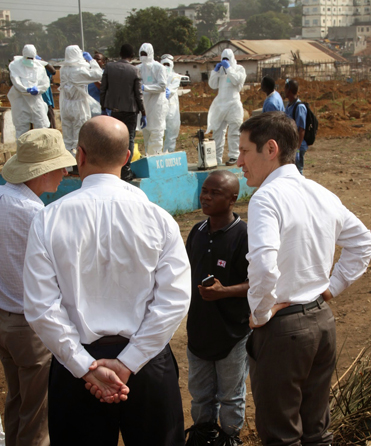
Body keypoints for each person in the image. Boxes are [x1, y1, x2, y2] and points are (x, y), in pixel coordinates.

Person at [23, 116, 191, 446]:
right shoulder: (159, 219)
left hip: (78, 368)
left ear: (79, 155)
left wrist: (86, 367)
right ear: (128, 157)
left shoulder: (49, 219)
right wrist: (128, 363)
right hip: (145, 364)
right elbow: (174, 299)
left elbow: (42, 308)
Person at [237, 112, 371, 446]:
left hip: (283, 331)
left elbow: (264, 266)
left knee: (281, 435)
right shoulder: (320, 193)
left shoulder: (266, 199)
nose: (239, 161)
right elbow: (363, 243)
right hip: (321, 324)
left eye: (244, 151)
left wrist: (260, 313)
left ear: (270, 149)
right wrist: (331, 288)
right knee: (316, 430)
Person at [0, 128, 76, 446]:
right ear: (42, 171)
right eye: (60, 167)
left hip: (5, 315)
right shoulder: (36, 214)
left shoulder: (5, 199)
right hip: (30, 324)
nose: (65, 173)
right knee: (37, 414)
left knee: (18, 399)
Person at [185, 171, 250, 446]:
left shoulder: (244, 235)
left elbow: (258, 282)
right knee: (199, 393)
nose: (206, 197)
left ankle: (229, 438)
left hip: (232, 332)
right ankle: (204, 436)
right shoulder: (197, 232)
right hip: (199, 329)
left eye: (215, 193)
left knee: (230, 395)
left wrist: (224, 292)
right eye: (204, 190)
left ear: (233, 199)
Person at [100, 44, 147, 181]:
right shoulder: (134, 70)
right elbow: (138, 94)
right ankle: (126, 170)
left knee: (115, 138)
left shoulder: (109, 68)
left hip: (114, 110)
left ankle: (115, 168)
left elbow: (103, 89)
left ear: (120, 53)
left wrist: (103, 107)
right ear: (132, 56)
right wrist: (143, 113)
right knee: (129, 138)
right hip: (130, 111)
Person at [59, 45, 103, 156]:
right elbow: (98, 74)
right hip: (78, 105)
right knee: (80, 134)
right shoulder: (79, 70)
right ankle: (78, 162)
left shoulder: (63, 69)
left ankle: (68, 163)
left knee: (68, 136)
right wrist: (91, 61)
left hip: (65, 104)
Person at [206, 49, 246, 166]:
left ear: (232, 58)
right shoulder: (220, 71)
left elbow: (237, 80)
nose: (225, 61)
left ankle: (234, 156)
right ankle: (216, 158)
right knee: (217, 132)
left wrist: (229, 68)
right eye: (223, 59)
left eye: (227, 59)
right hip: (220, 104)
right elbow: (212, 85)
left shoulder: (239, 69)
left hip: (233, 104)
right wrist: (215, 72)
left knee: (234, 132)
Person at [7, 44, 50, 138]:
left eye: (31, 58)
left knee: (42, 125)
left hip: (35, 101)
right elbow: (15, 81)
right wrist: (25, 89)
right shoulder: (15, 65)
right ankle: (22, 152)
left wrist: (38, 90)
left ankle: (41, 151)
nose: (30, 60)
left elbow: (45, 83)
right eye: (28, 58)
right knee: (21, 129)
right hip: (21, 101)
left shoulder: (39, 67)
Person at [138, 43, 168, 155]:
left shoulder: (159, 68)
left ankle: (155, 160)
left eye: (145, 54)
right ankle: (148, 159)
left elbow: (162, 86)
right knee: (146, 134)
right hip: (145, 107)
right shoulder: (138, 68)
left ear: (150, 53)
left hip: (156, 107)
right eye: (141, 54)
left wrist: (144, 87)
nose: (143, 56)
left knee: (156, 134)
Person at [284, 79, 308, 175]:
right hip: (291, 146)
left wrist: (297, 148)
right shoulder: (289, 106)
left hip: (298, 146)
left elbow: (301, 129)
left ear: (289, 91)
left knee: (298, 171)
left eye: (285, 89)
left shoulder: (299, 107)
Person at [161, 54, 181, 153]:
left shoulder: (175, 76)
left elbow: (172, 89)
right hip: (160, 108)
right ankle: (157, 155)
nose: (165, 67)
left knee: (171, 134)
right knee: (158, 134)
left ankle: (169, 154)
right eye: (163, 64)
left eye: (167, 64)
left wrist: (166, 92)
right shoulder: (158, 76)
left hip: (172, 109)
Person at [37, 56, 57, 129]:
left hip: (46, 100)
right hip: (33, 102)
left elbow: (53, 71)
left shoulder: (42, 67)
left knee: (50, 122)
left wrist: (43, 62)